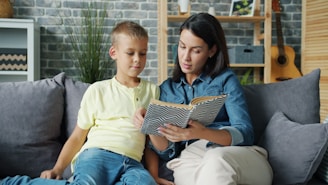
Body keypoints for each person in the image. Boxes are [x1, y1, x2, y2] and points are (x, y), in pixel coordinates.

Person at [1, 21, 170, 185]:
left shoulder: (152, 91)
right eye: (130, 53)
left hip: (132, 163)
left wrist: (153, 176)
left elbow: (150, 144)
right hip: (98, 155)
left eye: (143, 53)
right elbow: (77, 137)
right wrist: (57, 169)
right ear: (114, 53)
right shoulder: (98, 90)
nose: (137, 60)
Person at [134, 13, 273, 185]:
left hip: (235, 155)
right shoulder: (167, 90)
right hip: (190, 158)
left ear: (212, 50)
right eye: (182, 47)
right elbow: (167, 152)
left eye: (196, 50)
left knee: (216, 159)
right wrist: (150, 125)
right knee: (186, 173)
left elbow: (245, 133)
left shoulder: (225, 80)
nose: (185, 57)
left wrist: (200, 133)